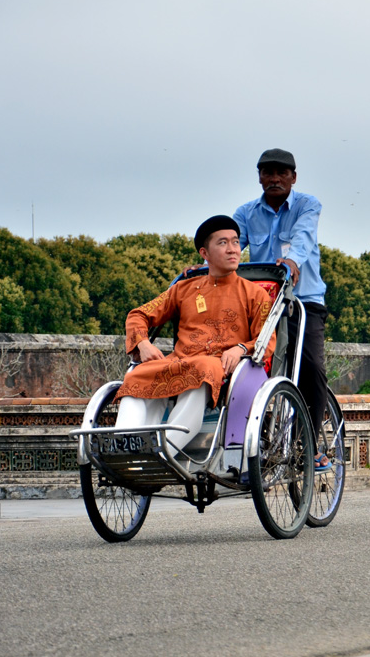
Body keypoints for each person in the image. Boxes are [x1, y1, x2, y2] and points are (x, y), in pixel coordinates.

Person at [114, 215, 275, 457]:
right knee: (136, 376)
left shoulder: (256, 294)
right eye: (223, 243)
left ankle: (164, 452)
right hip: (180, 362)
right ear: (205, 253)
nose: (233, 249)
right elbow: (138, 315)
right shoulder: (184, 289)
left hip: (221, 366)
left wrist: (240, 348)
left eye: (235, 242)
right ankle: (124, 447)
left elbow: (265, 341)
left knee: (202, 368)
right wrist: (143, 343)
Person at [232, 148, 329, 440]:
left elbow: (304, 237)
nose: (274, 179)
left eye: (281, 173)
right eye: (267, 173)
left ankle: (311, 443)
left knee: (311, 368)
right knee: (249, 364)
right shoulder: (246, 213)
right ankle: (253, 436)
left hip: (303, 302)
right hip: (262, 304)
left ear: (293, 177)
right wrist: (208, 261)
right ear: (259, 177)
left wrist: (292, 261)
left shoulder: (307, 205)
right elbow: (230, 244)